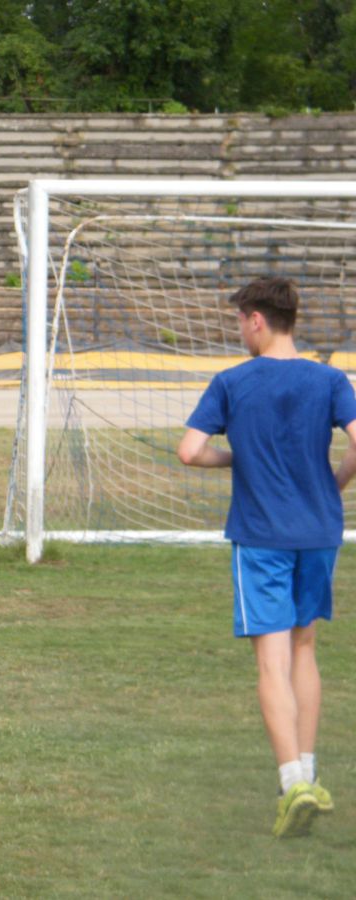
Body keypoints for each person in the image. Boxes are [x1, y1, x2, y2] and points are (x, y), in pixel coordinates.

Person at [178, 276, 356, 839]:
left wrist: (237, 457)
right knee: (305, 648)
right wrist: (337, 483)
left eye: (239, 320)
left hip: (261, 535)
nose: (239, 330)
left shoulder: (232, 382)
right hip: (319, 531)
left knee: (271, 660)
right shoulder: (331, 379)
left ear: (255, 319)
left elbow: (189, 451)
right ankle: (309, 772)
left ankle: (291, 784)